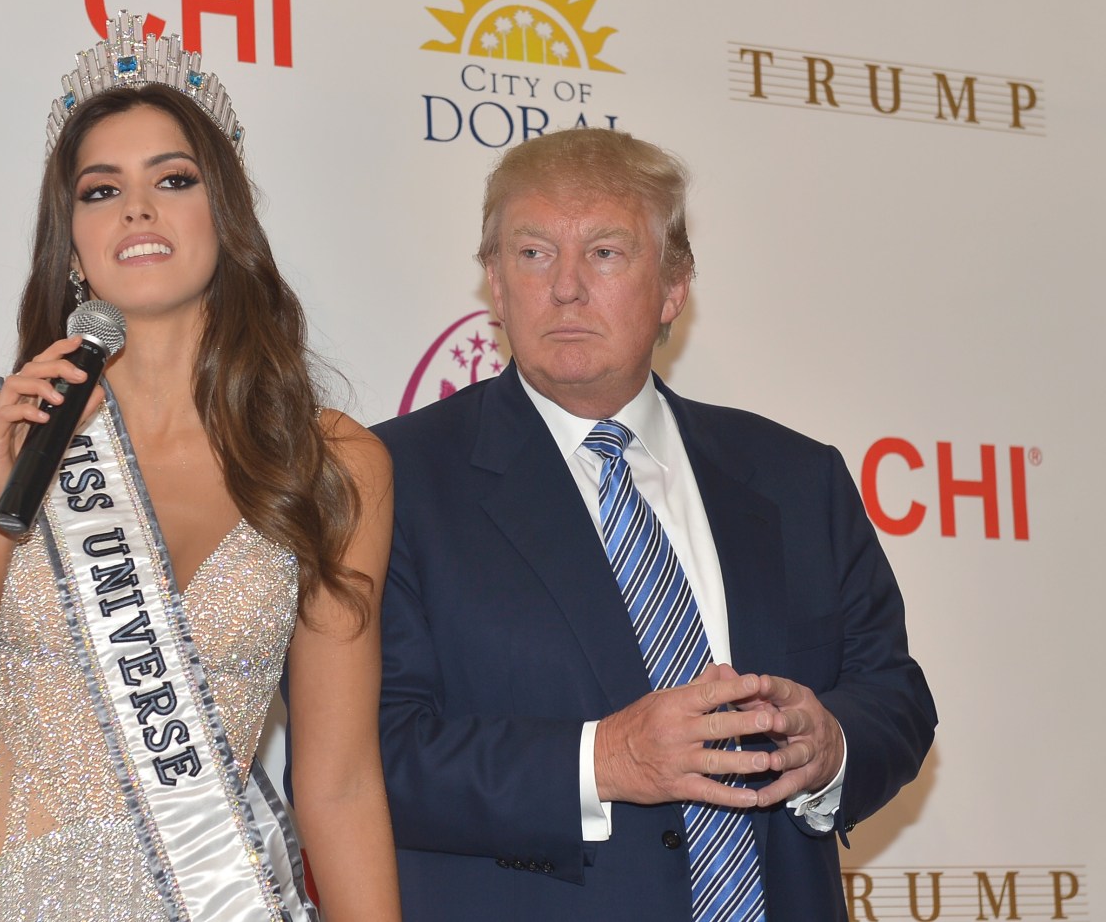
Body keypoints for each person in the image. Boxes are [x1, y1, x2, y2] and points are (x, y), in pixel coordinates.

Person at [0, 13, 400, 921]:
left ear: (224, 217)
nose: (137, 209)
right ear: (73, 242)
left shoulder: (334, 461)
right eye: (100, 190)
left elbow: (342, 784)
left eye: (173, 178)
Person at [373, 128, 936, 921]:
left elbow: (895, 695)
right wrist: (601, 760)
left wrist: (831, 745)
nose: (566, 287)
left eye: (605, 253)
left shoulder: (798, 478)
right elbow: (368, 757)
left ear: (674, 288)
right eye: (533, 254)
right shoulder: (389, 481)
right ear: (495, 284)